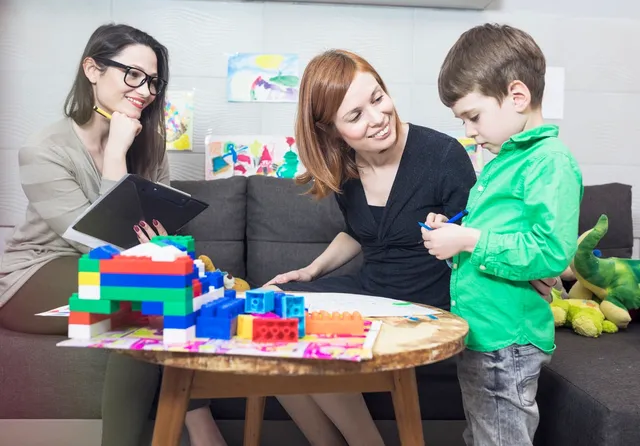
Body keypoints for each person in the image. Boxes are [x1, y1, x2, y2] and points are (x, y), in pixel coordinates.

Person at [0, 23, 225, 446]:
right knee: (145, 294)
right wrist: (117, 154)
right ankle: (202, 429)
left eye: (153, 81)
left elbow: (142, 244)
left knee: (180, 294)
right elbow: (100, 242)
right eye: (132, 74)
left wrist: (158, 244)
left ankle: (196, 424)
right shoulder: (43, 149)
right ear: (92, 69)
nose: (144, 89)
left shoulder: (151, 142)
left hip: (118, 271)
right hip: (34, 275)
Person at [264, 49, 478, 446]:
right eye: (355, 116)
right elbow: (360, 232)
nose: (378, 119)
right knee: (268, 308)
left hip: (428, 301)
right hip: (372, 290)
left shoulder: (444, 155)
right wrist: (311, 272)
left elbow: (476, 237)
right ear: (330, 130)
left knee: (311, 337)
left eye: (377, 98)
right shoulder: (344, 164)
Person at [421, 23, 583, 446]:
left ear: (517, 96)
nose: (470, 130)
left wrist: (470, 240)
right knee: (482, 434)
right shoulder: (500, 160)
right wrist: (455, 230)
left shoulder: (551, 163)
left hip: (507, 341)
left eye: (473, 116)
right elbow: (499, 230)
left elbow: (549, 252)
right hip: (483, 332)